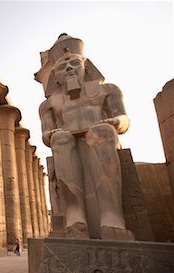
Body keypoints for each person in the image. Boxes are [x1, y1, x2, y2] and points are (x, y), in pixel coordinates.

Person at [37, 34, 134, 240]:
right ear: (55, 76)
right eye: (63, 67)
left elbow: (124, 120)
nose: (69, 69)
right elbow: (46, 134)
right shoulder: (49, 104)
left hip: (100, 134)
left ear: (86, 66)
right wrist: (52, 135)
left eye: (74, 63)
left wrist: (116, 122)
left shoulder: (107, 90)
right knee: (61, 139)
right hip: (66, 140)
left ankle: (111, 215)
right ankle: (75, 213)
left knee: (101, 132)